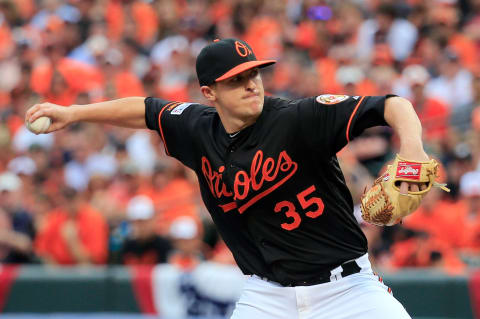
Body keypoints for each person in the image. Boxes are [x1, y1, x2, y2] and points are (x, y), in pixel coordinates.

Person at [26, 38, 431, 318]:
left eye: (253, 73)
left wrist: (412, 148)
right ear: (209, 92)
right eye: (236, 79)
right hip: (266, 295)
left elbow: (392, 105)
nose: (250, 83)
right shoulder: (198, 130)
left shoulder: (299, 118)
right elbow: (146, 110)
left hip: (346, 289)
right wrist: (74, 113)